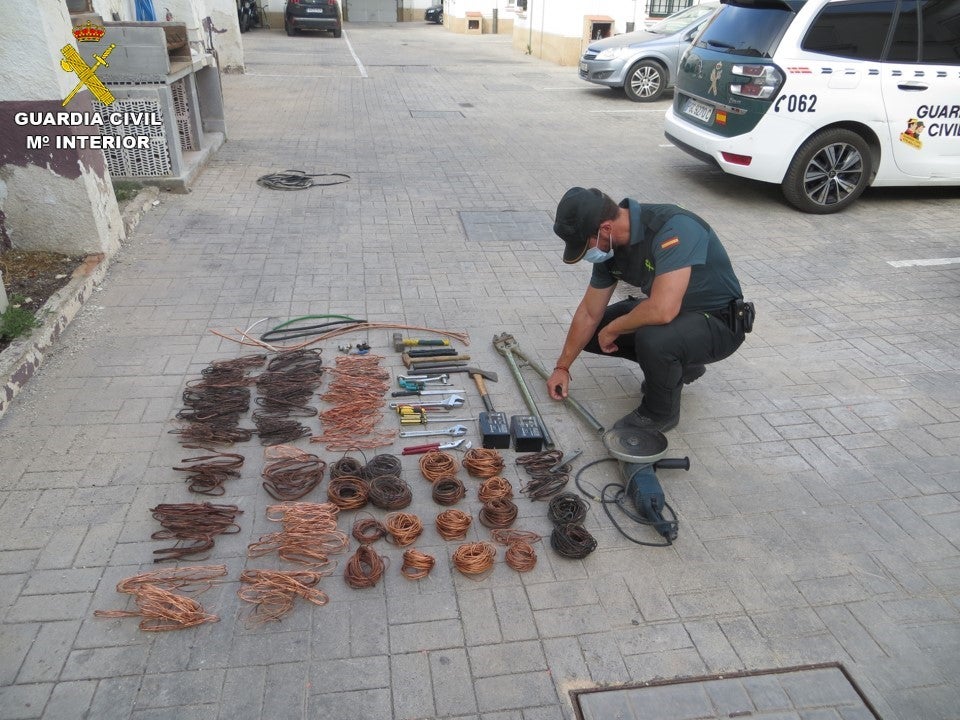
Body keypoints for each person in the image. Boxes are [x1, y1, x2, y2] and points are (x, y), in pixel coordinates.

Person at [547, 187, 752, 432]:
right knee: (594, 331)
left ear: (605, 229)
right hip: (675, 314)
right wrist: (562, 367)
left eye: (585, 245)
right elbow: (589, 313)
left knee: (652, 338)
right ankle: (680, 367)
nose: (586, 253)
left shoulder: (673, 228)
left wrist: (614, 328)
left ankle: (658, 414)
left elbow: (663, 310)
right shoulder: (610, 249)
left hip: (719, 322)